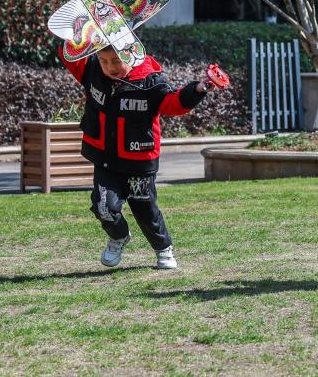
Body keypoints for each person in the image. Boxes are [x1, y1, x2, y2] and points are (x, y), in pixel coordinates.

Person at [58, 44, 221, 269]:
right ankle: (118, 236)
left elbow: (172, 103)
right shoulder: (92, 69)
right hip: (106, 160)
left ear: (130, 54)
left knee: (145, 211)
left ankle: (163, 248)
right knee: (103, 206)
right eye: (104, 61)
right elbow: (69, 53)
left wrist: (197, 90)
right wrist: (78, 33)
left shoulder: (150, 80)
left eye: (116, 61)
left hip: (139, 161)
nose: (110, 67)